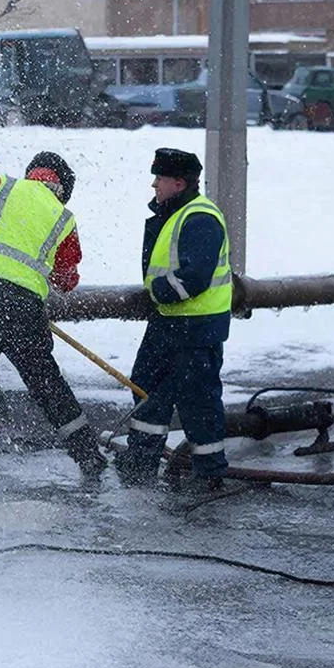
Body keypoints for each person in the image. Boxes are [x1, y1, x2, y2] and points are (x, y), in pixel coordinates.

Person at [0, 152, 106, 491]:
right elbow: (66, 279)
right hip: (22, 308)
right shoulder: (64, 218)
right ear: (61, 188)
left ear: (32, 175)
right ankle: (87, 456)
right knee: (45, 382)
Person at [115, 148, 231, 490]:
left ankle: (209, 473)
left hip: (195, 329)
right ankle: (140, 462)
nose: (154, 185)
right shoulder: (175, 212)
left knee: (199, 402)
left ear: (178, 183)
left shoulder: (199, 217)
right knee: (149, 392)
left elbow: (194, 276)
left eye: (160, 179)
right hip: (169, 325)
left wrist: (159, 292)